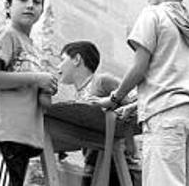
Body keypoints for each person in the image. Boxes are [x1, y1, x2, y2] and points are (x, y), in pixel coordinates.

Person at [95, 0, 189, 186]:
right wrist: (135, 105)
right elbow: (172, 79)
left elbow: (140, 68)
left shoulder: (153, 14)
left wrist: (114, 99)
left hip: (166, 116)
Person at [0, 0, 58, 186]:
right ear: (8, 6)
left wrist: (47, 88)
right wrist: (36, 78)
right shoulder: (8, 35)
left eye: (37, 1)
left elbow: (42, 103)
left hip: (23, 140)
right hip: (3, 136)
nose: (30, 5)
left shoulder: (35, 49)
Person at [57, 41, 138, 186]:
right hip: (92, 165)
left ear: (76, 59)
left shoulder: (102, 81)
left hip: (118, 164)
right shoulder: (78, 96)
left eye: (62, 60)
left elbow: (133, 102)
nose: (58, 67)